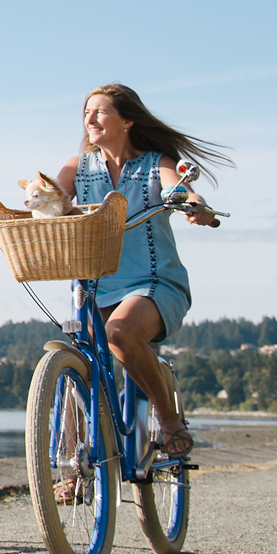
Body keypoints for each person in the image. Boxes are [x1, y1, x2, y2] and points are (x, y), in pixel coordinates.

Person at [54, 83, 230, 462]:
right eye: (86, 112)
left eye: (100, 111)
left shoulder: (156, 163)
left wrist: (195, 206)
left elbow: (179, 189)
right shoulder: (77, 168)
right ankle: (70, 467)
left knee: (120, 332)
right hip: (95, 285)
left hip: (153, 282)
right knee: (80, 357)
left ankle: (169, 419)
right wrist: (11, 222)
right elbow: (50, 200)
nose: (90, 118)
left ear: (127, 120)